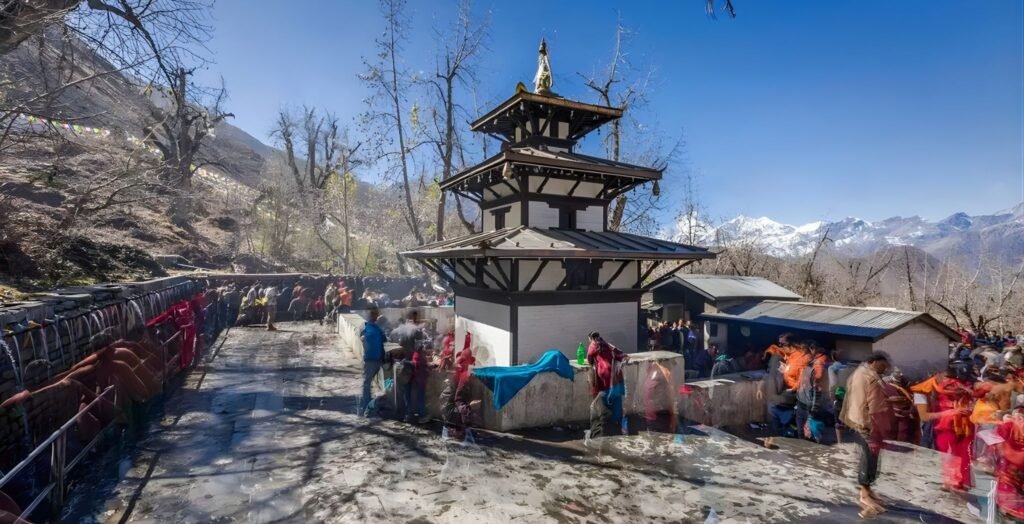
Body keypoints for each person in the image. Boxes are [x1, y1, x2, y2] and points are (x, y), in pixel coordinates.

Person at [839, 352, 891, 518]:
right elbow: (876, 409)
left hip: (856, 419)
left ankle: (867, 489)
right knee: (870, 457)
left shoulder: (858, 373)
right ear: (873, 362)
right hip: (868, 424)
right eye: (882, 366)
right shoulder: (873, 379)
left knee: (867, 454)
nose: (884, 369)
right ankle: (864, 492)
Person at [912, 362, 976, 492]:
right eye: (945, 377)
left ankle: (958, 482)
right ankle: (950, 481)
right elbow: (924, 416)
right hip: (940, 425)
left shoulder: (959, 387)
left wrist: (966, 409)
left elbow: (972, 400)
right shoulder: (922, 391)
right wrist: (948, 413)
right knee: (947, 454)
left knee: (962, 453)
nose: (950, 381)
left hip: (963, 426)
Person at [587, 332, 629, 437]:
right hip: (616, 376)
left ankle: (604, 427)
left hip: (604, 377)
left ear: (591, 338)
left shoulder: (593, 345)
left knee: (601, 401)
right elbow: (621, 354)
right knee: (616, 399)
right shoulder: (608, 344)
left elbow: (589, 359)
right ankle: (617, 425)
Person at [358, 307, 386, 417]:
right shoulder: (367, 327)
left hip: (376, 359)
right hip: (371, 360)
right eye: (373, 314)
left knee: (367, 383)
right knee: (367, 384)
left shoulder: (376, 328)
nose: (374, 316)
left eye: (375, 314)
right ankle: (366, 406)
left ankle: (367, 406)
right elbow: (362, 337)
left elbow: (383, 339)